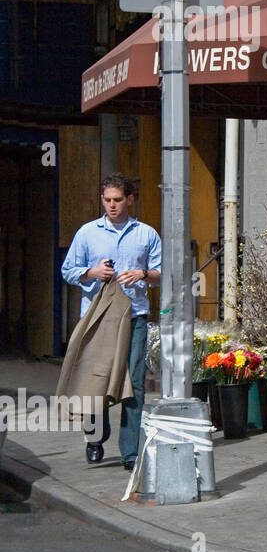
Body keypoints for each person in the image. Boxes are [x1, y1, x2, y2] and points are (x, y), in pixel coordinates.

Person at [60, 174, 162, 469]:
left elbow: (161, 271)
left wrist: (141, 274)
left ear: (129, 199)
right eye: (107, 200)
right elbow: (68, 270)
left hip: (134, 316)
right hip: (97, 318)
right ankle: (95, 438)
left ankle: (130, 452)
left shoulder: (146, 234)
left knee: (136, 384)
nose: (112, 205)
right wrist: (92, 273)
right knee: (96, 379)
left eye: (118, 200)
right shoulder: (88, 232)